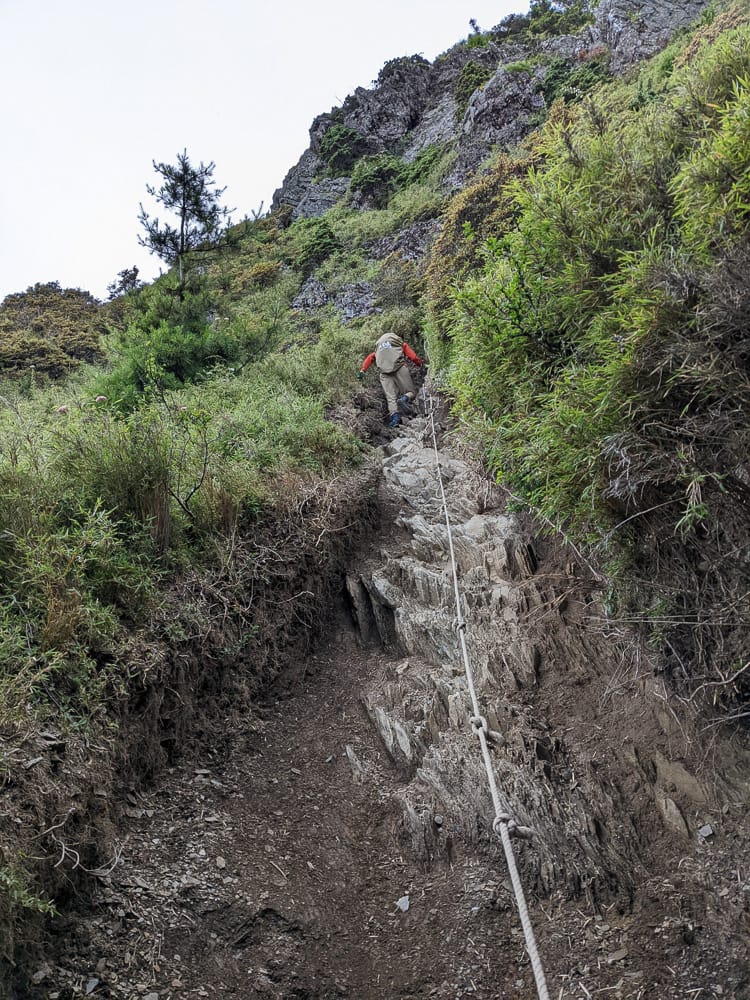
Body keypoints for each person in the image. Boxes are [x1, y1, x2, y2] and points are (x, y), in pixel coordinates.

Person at [357, 332, 424, 427]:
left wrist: (362, 370)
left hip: (384, 374)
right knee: (411, 392)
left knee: (391, 398)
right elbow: (412, 356)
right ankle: (404, 399)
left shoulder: (378, 350)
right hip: (400, 368)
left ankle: (395, 419)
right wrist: (419, 363)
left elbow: (370, 357)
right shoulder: (399, 344)